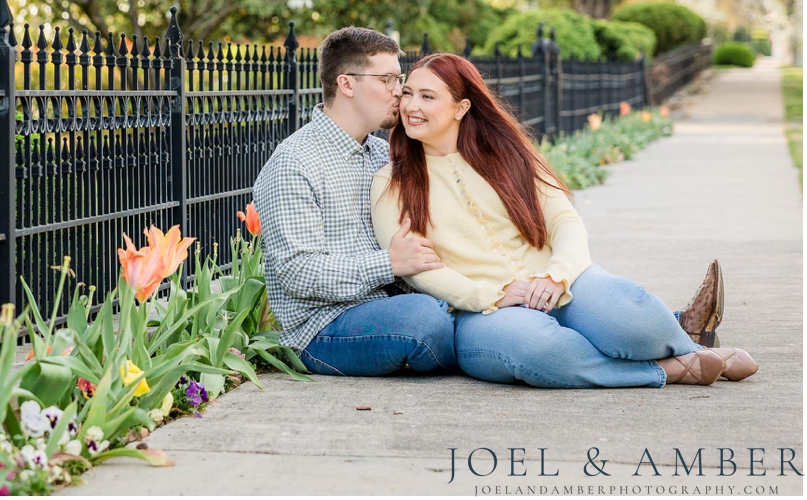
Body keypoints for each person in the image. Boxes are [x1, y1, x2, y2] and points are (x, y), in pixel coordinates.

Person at [370, 52, 757, 388]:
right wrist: (493, 295)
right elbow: (416, 271)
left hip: (559, 282)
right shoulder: (393, 183)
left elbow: (565, 222)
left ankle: (680, 339)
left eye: (427, 96)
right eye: (407, 94)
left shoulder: (508, 156)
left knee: (637, 324)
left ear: (461, 107)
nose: (411, 106)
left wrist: (557, 275)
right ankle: (675, 367)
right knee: (538, 350)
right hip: (480, 314)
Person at [253, 27, 457, 377]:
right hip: (321, 331)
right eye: (388, 79)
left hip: (391, 306)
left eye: (400, 78)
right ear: (346, 84)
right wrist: (388, 264)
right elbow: (297, 271)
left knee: (455, 310)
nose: (400, 92)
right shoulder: (294, 162)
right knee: (424, 321)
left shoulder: (382, 154)